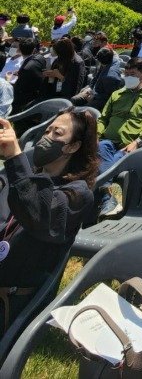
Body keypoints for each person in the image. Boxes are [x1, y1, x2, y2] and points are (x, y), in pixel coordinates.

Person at [0, 107, 98, 330]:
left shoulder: (77, 194)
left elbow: (36, 213)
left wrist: (15, 158)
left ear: (72, 146)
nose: (47, 136)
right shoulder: (30, 175)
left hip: (12, 302)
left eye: (57, 133)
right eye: (47, 131)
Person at [96, 57, 142, 216]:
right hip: (109, 141)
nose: (128, 77)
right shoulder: (117, 94)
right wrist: (97, 134)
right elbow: (103, 118)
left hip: (133, 144)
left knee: (112, 162)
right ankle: (110, 198)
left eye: (132, 74)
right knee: (100, 148)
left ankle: (109, 199)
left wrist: (138, 141)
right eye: (126, 74)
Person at [73, 47, 123, 112]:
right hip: (93, 90)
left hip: (100, 99)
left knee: (81, 111)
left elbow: (109, 95)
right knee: (74, 100)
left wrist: (94, 96)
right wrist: (89, 88)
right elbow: (96, 77)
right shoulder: (107, 61)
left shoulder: (110, 77)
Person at [10, 38, 46, 112]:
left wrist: (8, 81)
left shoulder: (26, 68)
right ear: (34, 50)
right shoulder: (40, 57)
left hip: (27, 100)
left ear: (19, 50)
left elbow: (18, 88)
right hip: (40, 92)